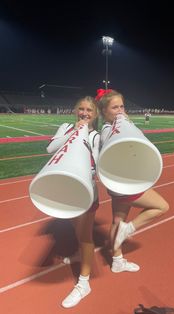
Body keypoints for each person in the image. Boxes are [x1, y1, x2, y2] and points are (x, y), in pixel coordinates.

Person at [96, 89, 169, 273]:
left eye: (122, 106)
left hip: (118, 185)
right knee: (161, 207)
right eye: (115, 107)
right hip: (125, 185)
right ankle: (130, 229)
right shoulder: (108, 130)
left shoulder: (111, 127)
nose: (120, 110)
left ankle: (117, 260)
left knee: (117, 222)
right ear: (104, 111)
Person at [46, 96, 100, 308]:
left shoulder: (95, 136)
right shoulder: (66, 126)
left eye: (89, 110)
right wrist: (73, 132)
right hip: (66, 188)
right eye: (81, 109)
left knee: (85, 236)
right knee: (74, 225)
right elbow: (50, 149)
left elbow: (94, 166)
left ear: (95, 115)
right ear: (76, 110)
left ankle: (84, 283)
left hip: (86, 190)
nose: (84, 113)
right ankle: (79, 253)